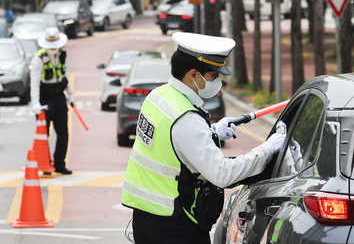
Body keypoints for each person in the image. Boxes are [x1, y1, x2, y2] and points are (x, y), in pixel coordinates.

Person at [121, 32, 286, 244]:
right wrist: (267, 149)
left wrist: (213, 132)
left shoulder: (158, 96)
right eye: (214, 76)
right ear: (193, 75)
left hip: (145, 216)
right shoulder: (187, 120)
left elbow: (169, 144)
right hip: (175, 223)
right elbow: (221, 175)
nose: (218, 82)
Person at [30, 27, 75, 175]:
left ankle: (59, 163)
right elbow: (34, 82)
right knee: (44, 135)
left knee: (63, 132)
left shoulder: (61, 54)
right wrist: (35, 102)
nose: (53, 49)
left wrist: (70, 93)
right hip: (44, 99)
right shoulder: (38, 59)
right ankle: (45, 164)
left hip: (59, 98)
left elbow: (63, 75)